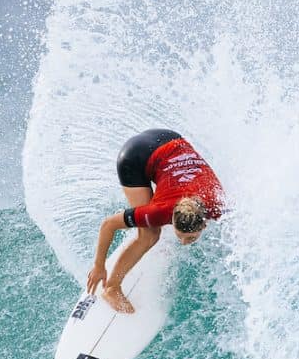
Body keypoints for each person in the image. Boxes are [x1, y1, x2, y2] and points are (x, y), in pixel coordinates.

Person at [86, 128, 225, 313]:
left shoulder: (218, 204)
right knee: (150, 235)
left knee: (152, 225)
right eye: (182, 236)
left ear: (205, 222)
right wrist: (98, 266)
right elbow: (109, 224)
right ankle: (112, 287)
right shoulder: (158, 212)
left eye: (190, 238)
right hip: (135, 156)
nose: (183, 242)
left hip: (169, 138)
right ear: (171, 218)